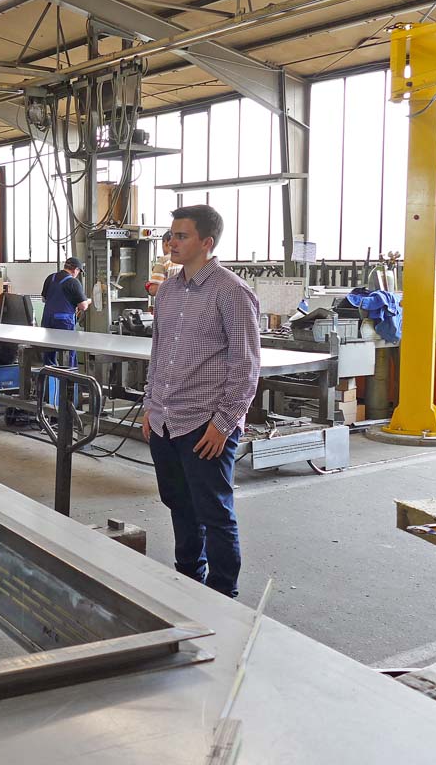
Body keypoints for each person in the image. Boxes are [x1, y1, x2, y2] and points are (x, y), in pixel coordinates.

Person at [140, 205, 260, 599]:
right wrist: (150, 405)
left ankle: (223, 595)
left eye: (181, 236)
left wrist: (224, 424)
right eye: (171, 235)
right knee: (178, 503)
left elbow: (246, 364)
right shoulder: (168, 291)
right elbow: (159, 353)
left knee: (214, 512)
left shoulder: (231, 291)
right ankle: (189, 582)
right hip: (165, 420)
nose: (171, 243)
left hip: (204, 424)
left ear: (206, 242)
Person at [39, 256, 91, 367]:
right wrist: (89, 301)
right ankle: (69, 376)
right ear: (75, 269)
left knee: (49, 350)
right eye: (79, 271)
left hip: (47, 320)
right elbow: (83, 306)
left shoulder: (51, 278)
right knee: (68, 351)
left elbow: (44, 299)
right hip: (64, 322)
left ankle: (50, 375)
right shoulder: (73, 282)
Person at [145, 229, 182, 303]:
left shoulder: (163, 261)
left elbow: (155, 290)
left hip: (169, 305)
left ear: (166, 243)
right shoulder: (186, 260)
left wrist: (148, 287)